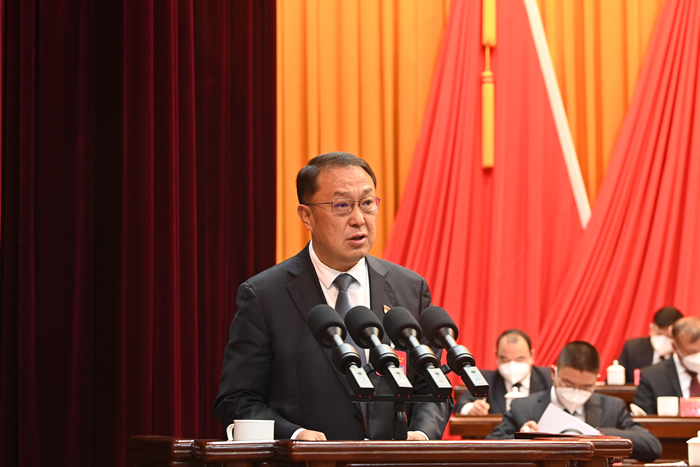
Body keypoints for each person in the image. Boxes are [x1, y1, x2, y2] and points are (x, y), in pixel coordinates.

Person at [214, 152, 451, 441]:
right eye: (342, 205)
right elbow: (238, 399)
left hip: (390, 460)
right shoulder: (265, 296)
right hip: (305, 460)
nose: (359, 219)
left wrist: (421, 435)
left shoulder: (410, 288)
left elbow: (432, 387)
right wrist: (295, 436)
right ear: (307, 216)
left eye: (367, 203)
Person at [487, 341, 662, 463]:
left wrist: (602, 435)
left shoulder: (612, 408)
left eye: (585, 387)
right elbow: (489, 448)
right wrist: (523, 439)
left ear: (596, 380)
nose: (576, 392)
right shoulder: (524, 407)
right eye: (568, 384)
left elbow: (652, 447)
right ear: (554, 373)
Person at [454, 329, 552, 415]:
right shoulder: (485, 379)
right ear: (496, 356)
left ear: (531, 356)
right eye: (505, 360)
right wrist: (472, 408)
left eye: (519, 359)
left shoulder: (549, 377)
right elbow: (461, 404)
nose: (512, 365)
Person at [634, 316, 700, 415]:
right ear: (675, 347)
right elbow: (643, 420)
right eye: (691, 352)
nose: (698, 355)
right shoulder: (652, 377)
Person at [618, 306, 683, 383]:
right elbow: (613, 383)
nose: (662, 340)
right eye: (659, 335)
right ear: (651, 328)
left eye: (668, 336)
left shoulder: (684, 353)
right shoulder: (633, 348)